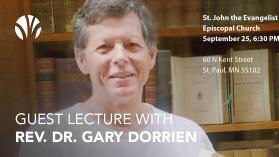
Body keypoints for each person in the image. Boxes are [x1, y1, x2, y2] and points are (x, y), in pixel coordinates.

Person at [20, 0, 215, 156]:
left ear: (152, 56)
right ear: (81, 59)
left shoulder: (190, 138)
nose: (120, 57)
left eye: (132, 45)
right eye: (104, 47)